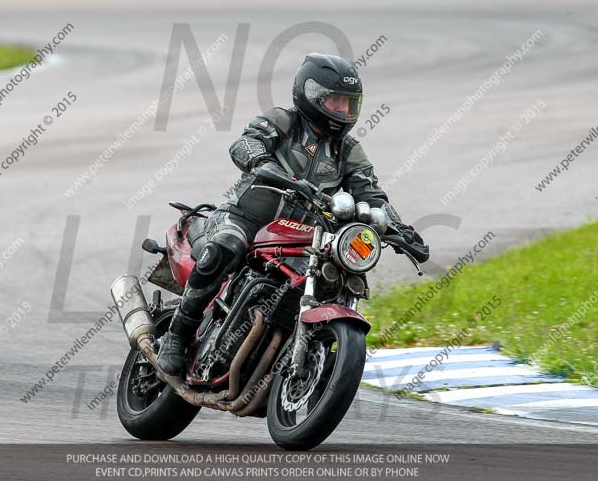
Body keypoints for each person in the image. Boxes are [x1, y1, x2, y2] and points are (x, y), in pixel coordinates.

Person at [157, 52, 423, 375]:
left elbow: (371, 193)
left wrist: (400, 228)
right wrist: (262, 163)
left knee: (333, 277)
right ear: (310, 95)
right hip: (246, 217)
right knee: (225, 247)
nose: (342, 111)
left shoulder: (349, 150)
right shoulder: (284, 120)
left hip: (301, 237)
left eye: (348, 104)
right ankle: (178, 334)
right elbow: (246, 142)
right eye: (335, 101)